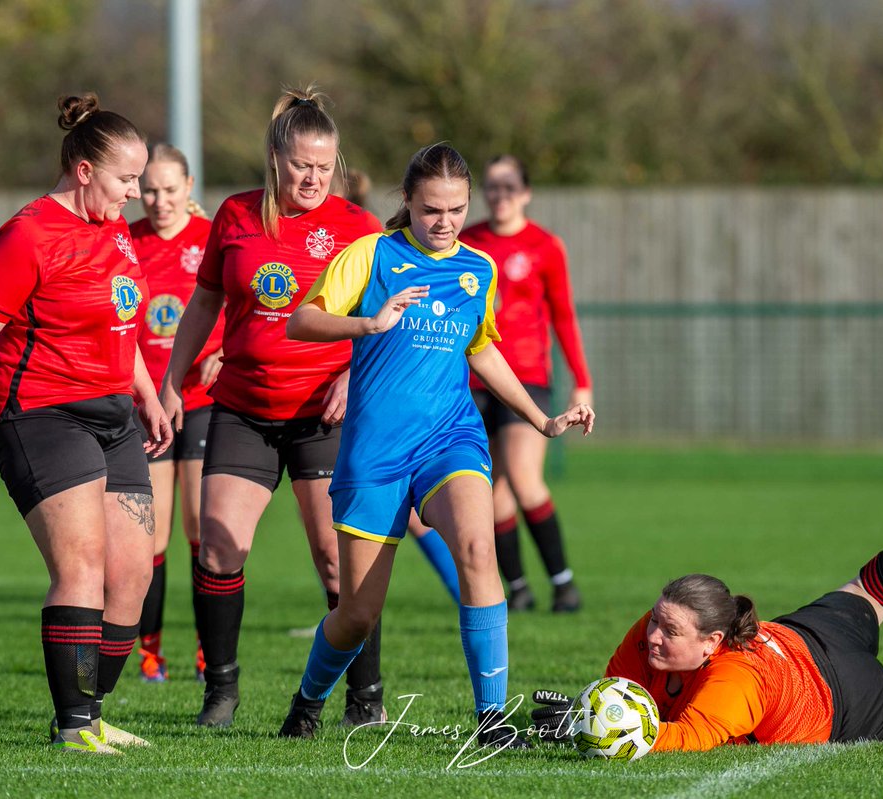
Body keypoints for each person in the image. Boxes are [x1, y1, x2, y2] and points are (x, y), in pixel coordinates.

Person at [275, 142, 595, 747]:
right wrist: (368, 323)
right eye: (430, 210)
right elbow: (301, 321)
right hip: (375, 453)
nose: (444, 222)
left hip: (451, 439)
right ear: (407, 203)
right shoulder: (371, 255)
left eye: (455, 208)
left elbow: (482, 347)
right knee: (357, 614)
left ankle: (492, 722)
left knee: (479, 547)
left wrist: (539, 419)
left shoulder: (479, 268)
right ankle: (308, 701)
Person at [0, 93, 172, 754]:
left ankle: (90, 710)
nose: (137, 191)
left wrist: (146, 393)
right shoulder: (27, 234)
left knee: (133, 574)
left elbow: (121, 322)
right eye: (127, 179)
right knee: (84, 566)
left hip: (114, 415)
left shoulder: (113, 228)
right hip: (37, 412)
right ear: (86, 171)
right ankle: (73, 727)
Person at [529, 470, 883, 750]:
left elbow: (681, 740)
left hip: (847, 699)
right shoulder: (649, 635)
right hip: (804, 635)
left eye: (669, 631)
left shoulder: (734, 682)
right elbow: (621, 692)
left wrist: (586, 735)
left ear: (712, 643)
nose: (651, 636)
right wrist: (587, 716)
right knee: (873, 587)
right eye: (655, 620)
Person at [159, 85, 383, 728]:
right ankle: (220, 692)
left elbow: (390, 321)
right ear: (276, 158)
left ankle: (363, 699)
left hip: (323, 417)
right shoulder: (232, 216)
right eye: (300, 164)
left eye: (324, 166)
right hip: (243, 411)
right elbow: (203, 302)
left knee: (339, 559)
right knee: (219, 551)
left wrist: (353, 378)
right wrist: (175, 380)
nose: (313, 178)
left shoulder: (356, 228)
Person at [460, 155, 593, 614]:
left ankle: (564, 582)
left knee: (522, 477)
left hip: (528, 377)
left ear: (526, 192)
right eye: (492, 186)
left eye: (509, 186)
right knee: (490, 487)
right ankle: (516, 588)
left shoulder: (544, 246)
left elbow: (564, 316)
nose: (500, 194)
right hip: (474, 380)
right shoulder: (467, 241)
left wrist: (583, 382)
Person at [333, 165, 461, 604]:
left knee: (417, 506)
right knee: (348, 529)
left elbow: (388, 332)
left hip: (362, 396)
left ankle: (470, 591)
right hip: (312, 392)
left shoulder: (367, 240)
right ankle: (347, 615)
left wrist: (347, 376)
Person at [130, 143, 223, 683]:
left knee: (200, 531)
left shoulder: (211, 239)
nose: (158, 199)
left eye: (169, 188)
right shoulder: (127, 242)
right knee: (152, 536)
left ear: (189, 187)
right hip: (146, 405)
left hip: (205, 404)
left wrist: (224, 351)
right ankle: (150, 653)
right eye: (149, 189)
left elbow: (251, 301)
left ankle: (210, 653)